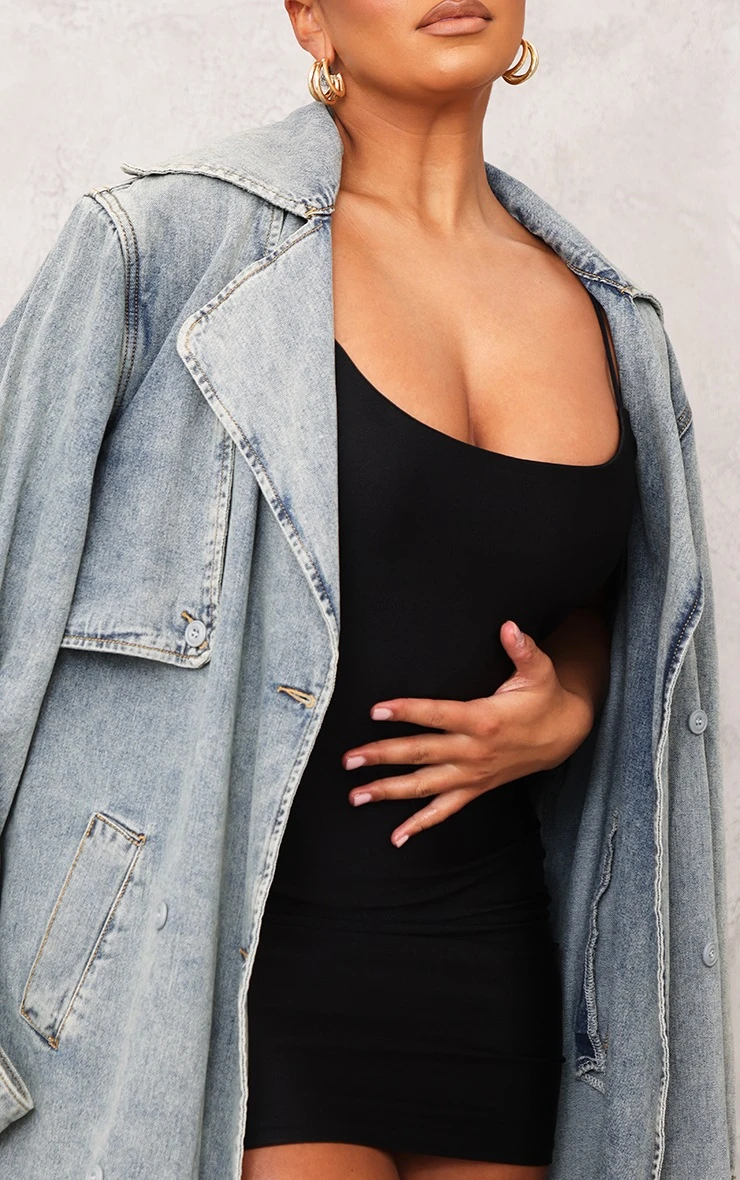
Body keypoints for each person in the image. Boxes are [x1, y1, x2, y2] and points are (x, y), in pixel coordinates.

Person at [0, 2, 734, 1179]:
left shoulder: (613, 321)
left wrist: (574, 698)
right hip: (210, 982)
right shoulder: (161, 252)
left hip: (494, 974)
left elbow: (582, 594)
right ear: (309, 17)